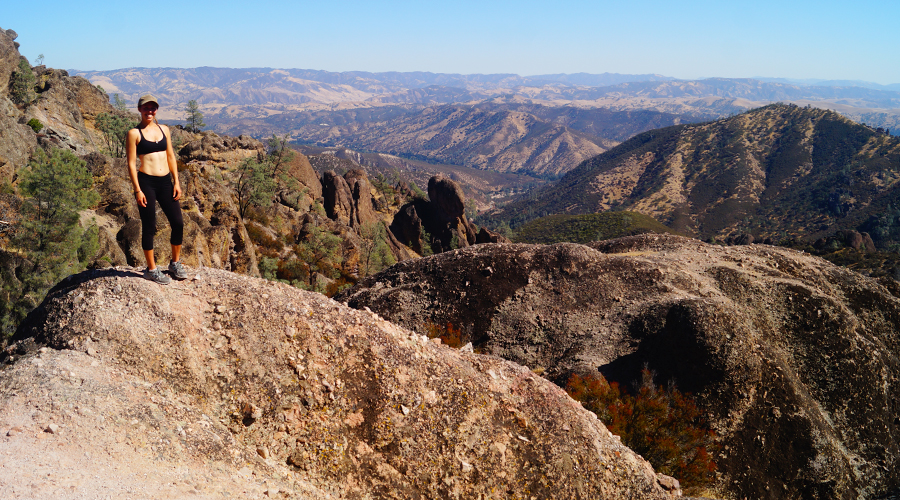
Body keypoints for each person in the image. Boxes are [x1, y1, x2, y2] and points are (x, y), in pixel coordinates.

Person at [126, 94, 187, 284]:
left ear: (156, 110)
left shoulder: (164, 129)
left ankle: (174, 263)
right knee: (149, 225)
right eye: (146, 108)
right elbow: (130, 163)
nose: (149, 111)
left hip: (165, 182)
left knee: (178, 223)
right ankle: (151, 270)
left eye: (153, 108)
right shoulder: (134, 133)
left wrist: (176, 181)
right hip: (147, 183)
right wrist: (137, 190)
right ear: (139, 109)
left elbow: (170, 156)